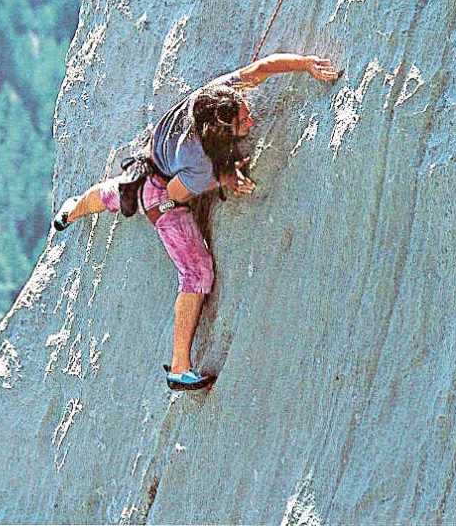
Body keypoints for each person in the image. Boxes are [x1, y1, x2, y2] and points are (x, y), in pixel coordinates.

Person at [52, 53, 340, 390]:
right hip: (161, 197)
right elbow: (175, 194)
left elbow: (261, 69)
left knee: (112, 193)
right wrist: (223, 178)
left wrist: (305, 63)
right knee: (197, 273)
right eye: (242, 122)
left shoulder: (216, 98)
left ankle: (71, 211)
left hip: (150, 163)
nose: (250, 121)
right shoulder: (200, 162)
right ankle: (179, 367)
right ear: (219, 133)